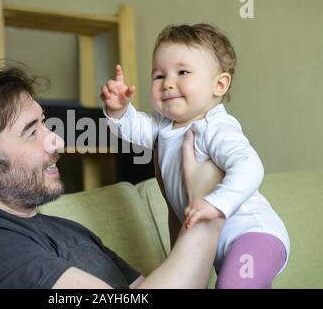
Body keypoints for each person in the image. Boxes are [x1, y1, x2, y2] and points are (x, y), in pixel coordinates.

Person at [0, 63, 224, 289]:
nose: (57, 141)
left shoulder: (69, 231)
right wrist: (211, 207)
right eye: (30, 131)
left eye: (44, 123)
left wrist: (184, 202)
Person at [101, 23, 290, 289]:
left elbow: (250, 166)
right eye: (158, 75)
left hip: (254, 234)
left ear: (219, 84)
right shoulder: (163, 125)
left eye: (182, 72)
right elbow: (133, 128)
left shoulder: (215, 127)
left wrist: (216, 203)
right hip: (220, 246)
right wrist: (119, 110)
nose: (168, 83)